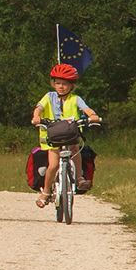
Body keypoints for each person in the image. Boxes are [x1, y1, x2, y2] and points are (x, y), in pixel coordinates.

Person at [30, 63, 102, 208]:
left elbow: (86, 108)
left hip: (71, 135)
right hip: (53, 138)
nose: (61, 86)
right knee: (54, 165)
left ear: (72, 85)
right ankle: (45, 192)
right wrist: (36, 116)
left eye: (65, 84)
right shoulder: (48, 97)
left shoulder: (76, 98)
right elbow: (39, 108)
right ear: (53, 84)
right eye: (58, 83)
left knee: (75, 149)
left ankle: (80, 178)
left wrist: (93, 115)